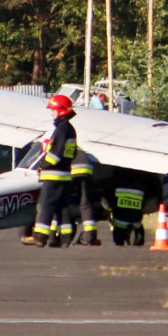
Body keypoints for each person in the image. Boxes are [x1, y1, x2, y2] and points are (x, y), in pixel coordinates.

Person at [33, 95, 78, 247]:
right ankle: (66, 238)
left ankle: (40, 237)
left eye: (53, 110)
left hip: (53, 175)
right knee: (62, 208)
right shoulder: (70, 129)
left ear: (61, 110)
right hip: (64, 174)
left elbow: (55, 154)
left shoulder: (61, 129)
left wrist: (42, 165)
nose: (51, 113)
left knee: (45, 205)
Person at [71, 148, 101, 245]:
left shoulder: (62, 148)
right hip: (86, 172)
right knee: (86, 205)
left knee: (63, 201)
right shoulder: (83, 151)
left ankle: (60, 236)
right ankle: (90, 236)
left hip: (73, 173)